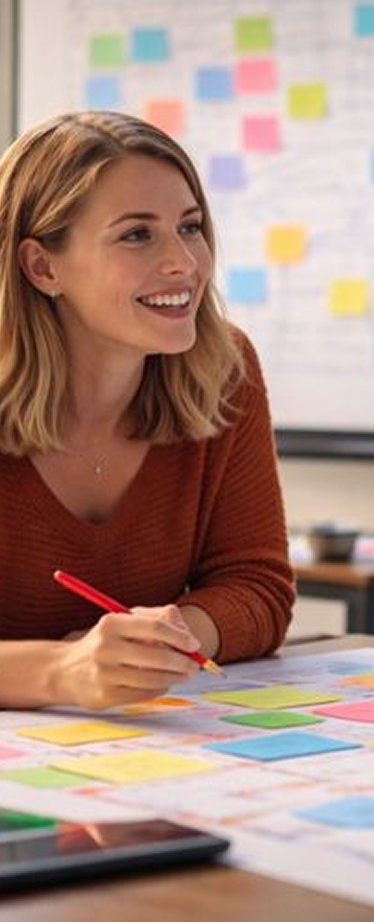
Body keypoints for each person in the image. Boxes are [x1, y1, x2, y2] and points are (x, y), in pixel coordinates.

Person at [0, 110, 295, 711]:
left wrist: (168, 637)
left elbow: (258, 587)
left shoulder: (225, 369)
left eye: (190, 227)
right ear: (42, 266)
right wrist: (60, 670)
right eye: (137, 235)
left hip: (124, 753)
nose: (184, 264)